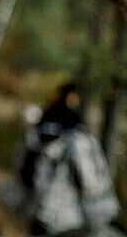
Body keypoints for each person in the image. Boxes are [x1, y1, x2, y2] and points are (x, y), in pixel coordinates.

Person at [19, 83, 120, 236]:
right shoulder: (70, 120)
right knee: (55, 219)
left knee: (44, 217)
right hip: (60, 180)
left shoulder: (50, 113)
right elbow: (80, 153)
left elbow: (34, 142)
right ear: (71, 95)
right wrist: (88, 184)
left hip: (44, 176)